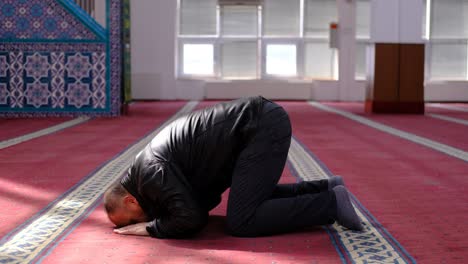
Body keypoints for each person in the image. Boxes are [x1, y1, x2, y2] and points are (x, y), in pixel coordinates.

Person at [104, 96, 363, 238]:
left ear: (130, 201)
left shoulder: (151, 173)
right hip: (255, 126)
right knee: (247, 201)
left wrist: (150, 228)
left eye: (133, 220)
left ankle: (330, 204)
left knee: (242, 221)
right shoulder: (145, 171)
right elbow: (197, 206)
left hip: (259, 128)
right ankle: (326, 188)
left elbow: (191, 218)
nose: (140, 221)